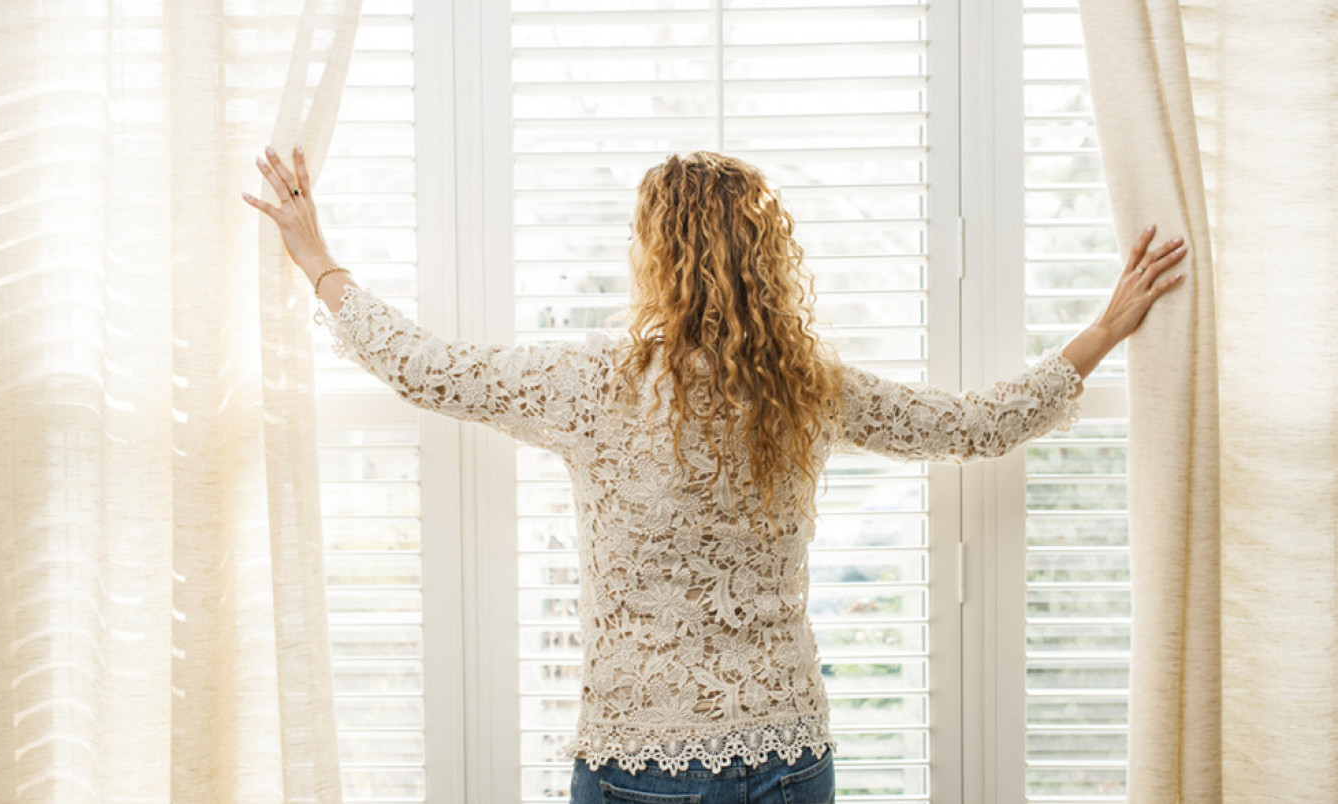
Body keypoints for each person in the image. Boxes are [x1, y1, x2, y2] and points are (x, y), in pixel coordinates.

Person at [243, 145, 1187, 803]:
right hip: (789, 753)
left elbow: (427, 368)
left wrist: (316, 258)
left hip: (638, 761)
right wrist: (1103, 329)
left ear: (658, 259)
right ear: (765, 266)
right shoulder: (808, 391)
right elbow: (976, 424)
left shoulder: (594, 384)